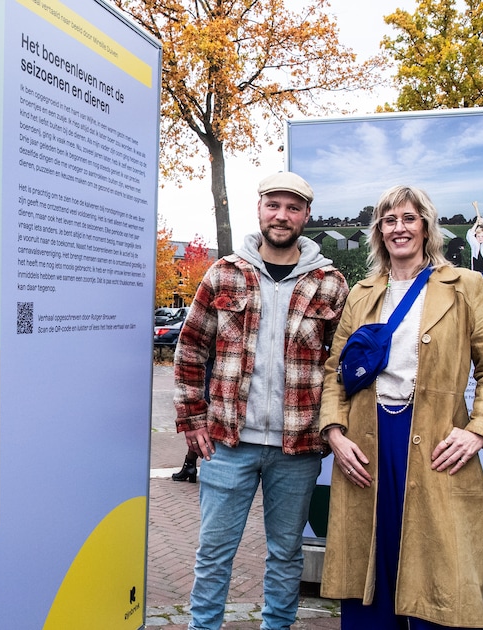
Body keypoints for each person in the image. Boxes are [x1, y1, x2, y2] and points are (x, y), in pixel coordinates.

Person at [319, 185, 483, 629]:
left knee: (437, 571)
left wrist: (478, 430)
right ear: (379, 232)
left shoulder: (465, 286)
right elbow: (335, 371)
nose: (399, 228)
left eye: (408, 218)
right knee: (369, 569)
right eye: (389, 220)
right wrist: (334, 433)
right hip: (367, 445)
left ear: (426, 226)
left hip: (434, 442)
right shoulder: (362, 293)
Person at [173, 171, 349, 630]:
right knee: (214, 552)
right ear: (260, 208)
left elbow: (341, 366)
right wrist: (192, 420)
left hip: (298, 448)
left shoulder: (331, 283)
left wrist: (332, 426)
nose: (282, 215)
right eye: (274, 205)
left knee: (286, 554)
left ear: (306, 216)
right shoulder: (224, 272)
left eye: (293, 208)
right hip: (228, 443)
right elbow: (191, 347)